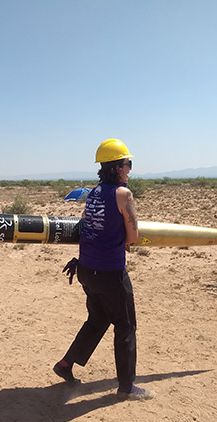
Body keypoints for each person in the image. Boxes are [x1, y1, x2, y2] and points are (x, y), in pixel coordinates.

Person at [54, 139, 155, 401]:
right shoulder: (124, 195)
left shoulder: (94, 192)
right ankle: (127, 386)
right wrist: (124, 238)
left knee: (98, 320)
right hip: (110, 272)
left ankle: (66, 364)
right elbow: (133, 236)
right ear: (116, 167)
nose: (130, 169)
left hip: (87, 268)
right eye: (127, 164)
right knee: (126, 326)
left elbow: (94, 224)